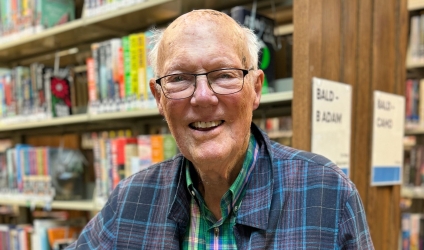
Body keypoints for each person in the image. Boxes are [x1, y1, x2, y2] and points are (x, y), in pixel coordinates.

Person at [67, 9, 374, 249]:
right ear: (159, 98)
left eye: (225, 75)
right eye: (179, 78)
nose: (202, 97)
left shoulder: (328, 194)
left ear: (255, 89)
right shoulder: (130, 201)